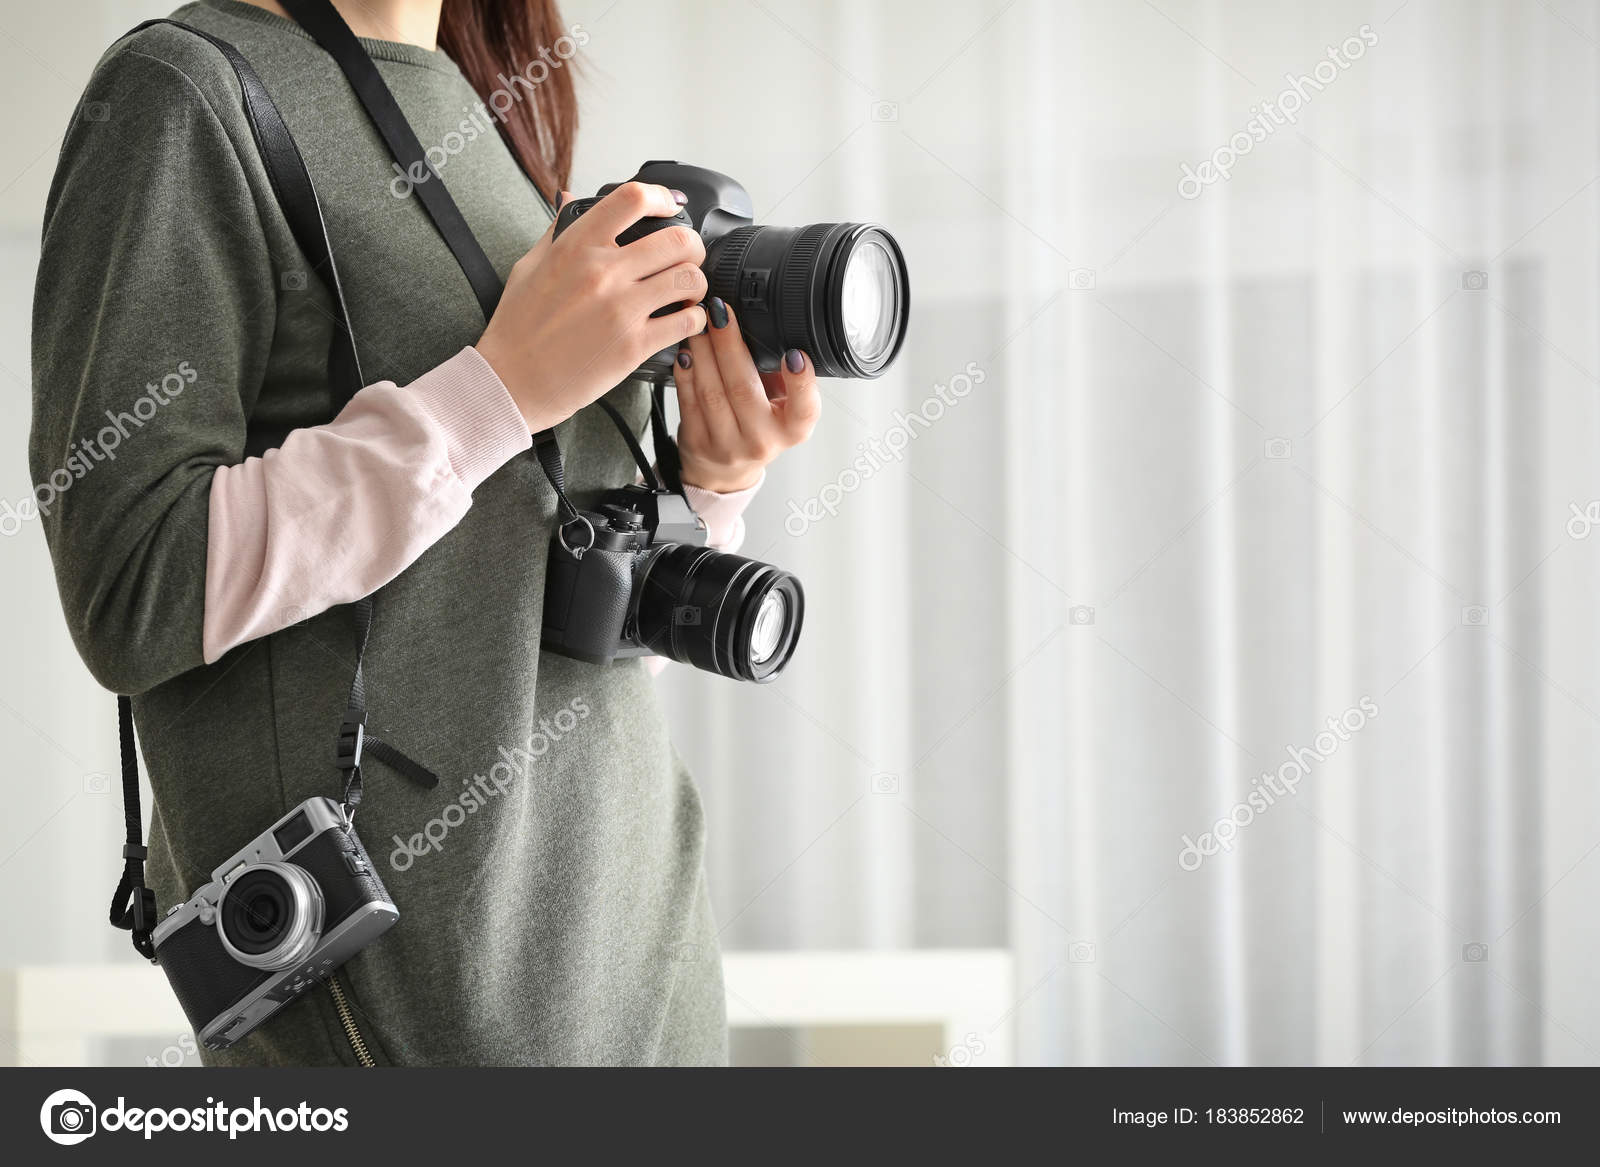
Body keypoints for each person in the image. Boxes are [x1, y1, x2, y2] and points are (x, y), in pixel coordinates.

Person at [29, 0, 820, 1065]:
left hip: (644, 965)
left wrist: (711, 486)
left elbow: (504, 604)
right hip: (429, 1006)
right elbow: (134, 585)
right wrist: (497, 390)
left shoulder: (481, 108)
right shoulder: (185, 91)